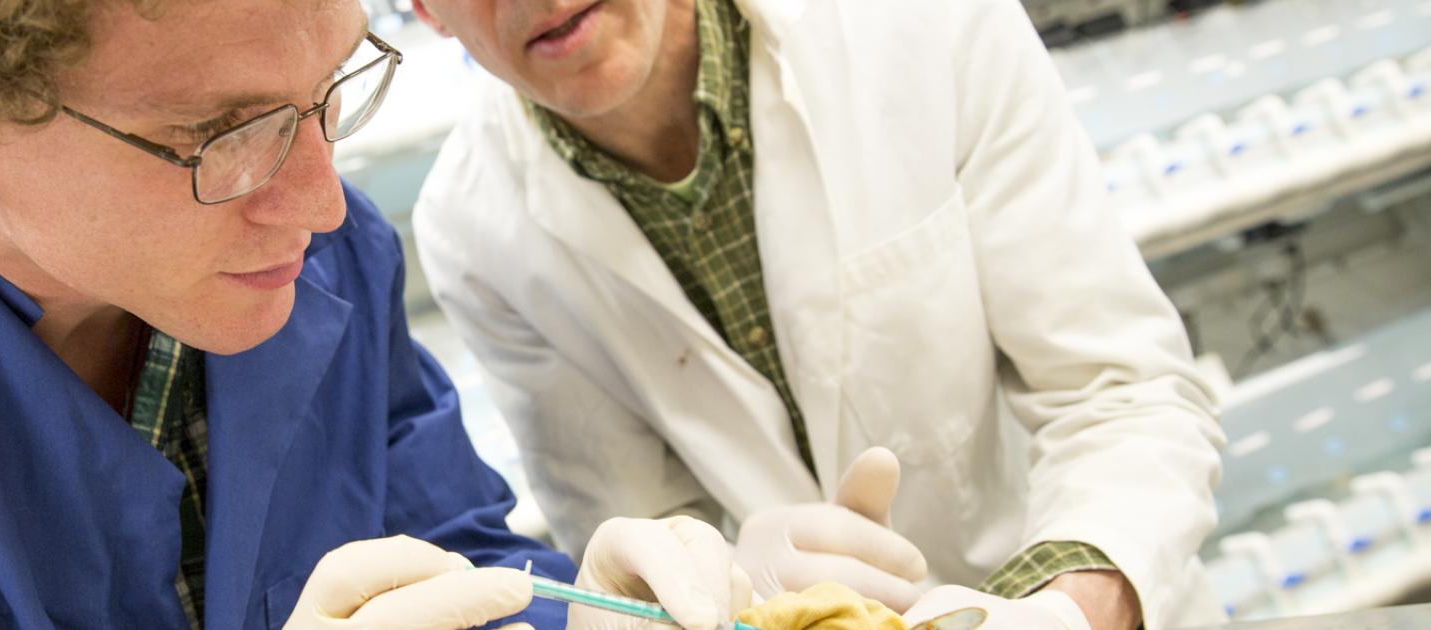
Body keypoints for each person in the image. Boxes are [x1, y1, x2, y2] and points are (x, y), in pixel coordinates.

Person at [0, 0, 753, 628]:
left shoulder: (333, 265)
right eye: (225, 135)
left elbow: (445, 553)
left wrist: (575, 604)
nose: (323, 202)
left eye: (327, 91)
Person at [406, 0, 1228, 626]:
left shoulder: (918, 23)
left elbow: (1122, 392)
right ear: (423, 9)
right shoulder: (473, 227)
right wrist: (732, 583)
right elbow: (636, 551)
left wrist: (1058, 609)